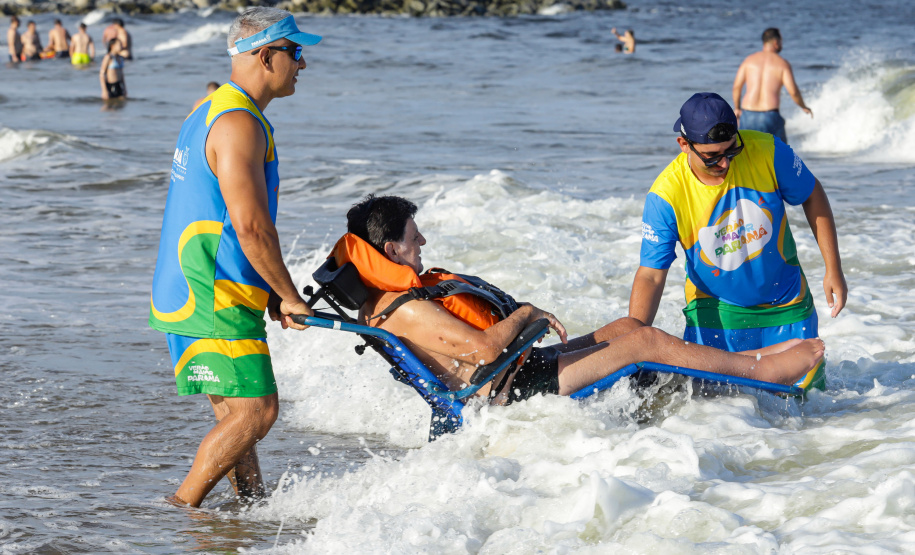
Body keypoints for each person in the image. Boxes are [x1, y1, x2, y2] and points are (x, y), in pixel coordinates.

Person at [336, 195, 824, 406]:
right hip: (506, 391)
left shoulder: (391, 295)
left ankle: (724, 378)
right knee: (645, 341)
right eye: (414, 239)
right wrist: (527, 314)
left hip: (514, 370)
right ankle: (758, 371)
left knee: (625, 329)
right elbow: (483, 351)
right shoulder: (407, 308)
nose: (422, 245)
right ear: (390, 250)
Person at [149, 7, 321, 508]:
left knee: (237, 417)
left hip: (190, 286)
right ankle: (179, 513)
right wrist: (289, 296)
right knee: (258, 413)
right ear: (266, 56)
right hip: (211, 293)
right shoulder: (239, 122)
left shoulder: (210, 109)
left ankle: (247, 511)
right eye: (295, 52)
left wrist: (265, 288)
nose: (302, 64)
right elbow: (250, 226)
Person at [629, 92, 846, 391]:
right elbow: (651, 275)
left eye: (731, 152)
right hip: (716, 317)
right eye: (712, 157)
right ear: (684, 145)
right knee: (721, 420)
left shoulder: (768, 151)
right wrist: (633, 340)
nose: (725, 164)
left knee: (807, 416)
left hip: (787, 305)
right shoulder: (666, 195)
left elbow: (811, 193)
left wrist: (833, 268)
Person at [732, 28, 812, 144]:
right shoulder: (782, 64)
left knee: (747, 156)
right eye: (781, 41)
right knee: (780, 157)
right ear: (776, 43)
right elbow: (793, 92)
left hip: (748, 114)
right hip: (769, 116)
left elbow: (736, 87)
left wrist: (737, 108)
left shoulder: (748, 61)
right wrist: (803, 106)